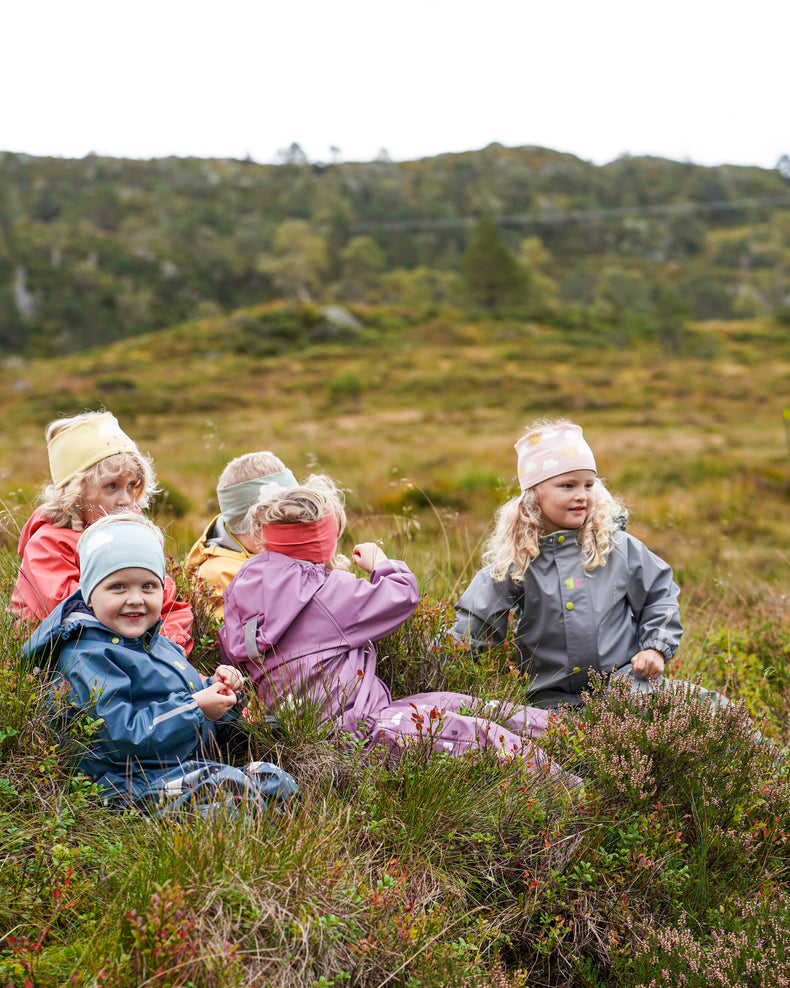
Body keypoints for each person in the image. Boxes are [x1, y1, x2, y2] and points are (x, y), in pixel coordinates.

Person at [219, 474, 567, 780]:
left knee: (452, 702)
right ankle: (575, 786)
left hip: (312, 727)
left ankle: (575, 736)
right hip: (360, 732)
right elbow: (403, 595)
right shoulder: (327, 592)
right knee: (482, 733)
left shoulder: (241, 588)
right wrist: (381, 564)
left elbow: (233, 654)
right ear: (324, 540)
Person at [22, 513, 297, 817]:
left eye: (148, 586)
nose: (136, 599)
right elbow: (120, 735)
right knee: (229, 807)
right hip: (129, 782)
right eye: (118, 587)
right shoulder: (88, 657)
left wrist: (219, 692)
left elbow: (182, 698)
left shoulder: (155, 641)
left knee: (276, 781)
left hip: (182, 764)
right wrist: (196, 706)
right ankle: (240, 844)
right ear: (89, 594)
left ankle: (259, 817)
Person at [449, 419, 683, 708]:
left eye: (588, 485)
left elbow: (660, 594)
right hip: (547, 697)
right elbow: (475, 622)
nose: (582, 495)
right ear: (534, 494)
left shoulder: (617, 547)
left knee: (706, 711)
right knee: (557, 748)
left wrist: (655, 648)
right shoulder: (518, 559)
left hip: (626, 685)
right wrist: (450, 668)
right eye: (567, 485)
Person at [10, 410, 193, 654]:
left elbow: (169, 604)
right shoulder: (47, 544)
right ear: (74, 493)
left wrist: (169, 647)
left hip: (127, 651)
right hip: (64, 659)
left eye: (131, 486)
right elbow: (72, 610)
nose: (125, 500)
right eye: (111, 486)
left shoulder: (134, 536)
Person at [183, 450, 297, 619]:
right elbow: (228, 636)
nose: (295, 530)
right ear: (255, 524)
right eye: (285, 521)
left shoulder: (270, 552)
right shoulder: (217, 577)